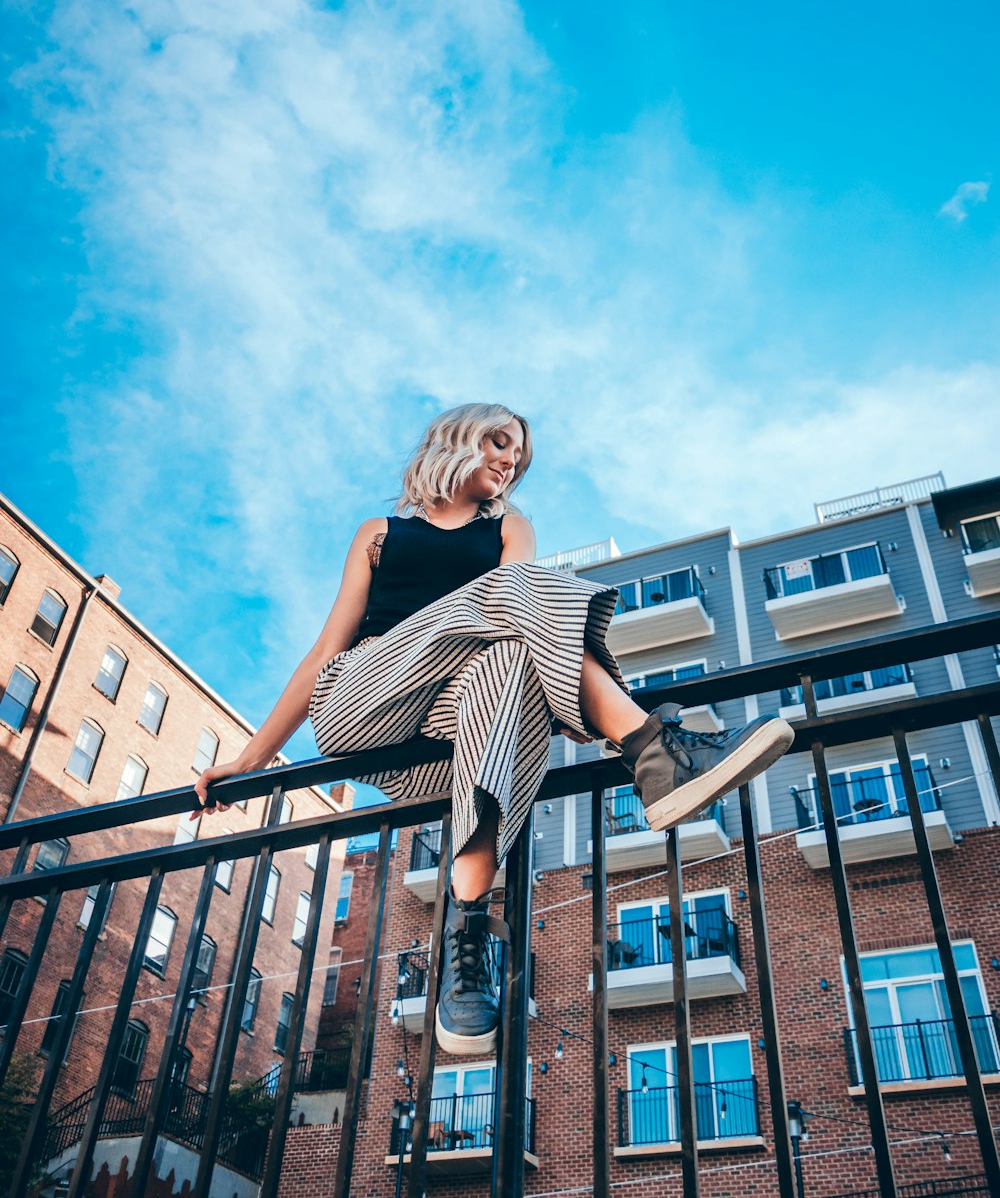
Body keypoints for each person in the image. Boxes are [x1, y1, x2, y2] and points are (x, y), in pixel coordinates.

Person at [193, 403, 793, 1056]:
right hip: (364, 701)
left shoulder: (509, 526)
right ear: (455, 438)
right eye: (499, 442)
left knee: (510, 658)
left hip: (443, 746)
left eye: (520, 456)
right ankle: (652, 749)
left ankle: (468, 929)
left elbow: (518, 627)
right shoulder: (381, 533)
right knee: (513, 591)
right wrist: (252, 761)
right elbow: (323, 652)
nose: (511, 460)